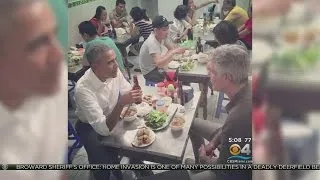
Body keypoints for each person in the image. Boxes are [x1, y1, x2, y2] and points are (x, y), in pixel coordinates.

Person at [0, 0, 67, 179]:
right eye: (38, 44)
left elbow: (57, 168)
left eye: (54, 34)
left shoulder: (52, 82)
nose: (59, 56)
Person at [74, 43, 142, 180]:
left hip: (111, 115)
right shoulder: (83, 88)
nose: (116, 65)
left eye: (115, 59)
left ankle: (136, 167)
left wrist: (135, 95)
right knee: (102, 165)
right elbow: (103, 129)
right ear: (95, 67)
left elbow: (127, 91)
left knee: (135, 142)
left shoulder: (114, 73)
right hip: (90, 125)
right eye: (110, 62)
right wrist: (121, 102)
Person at [188, 44, 252, 179]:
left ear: (227, 77)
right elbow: (228, 129)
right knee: (191, 123)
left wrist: (206, 160)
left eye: (211, 71)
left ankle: (202, 165)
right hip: (238, 140)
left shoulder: (239, 116)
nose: (208, 75)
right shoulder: (248, 85)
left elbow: (228, 169)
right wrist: (213, 142)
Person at [139, 15, 186, 83]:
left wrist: (167, 56)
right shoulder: (152, 42)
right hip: (150, 71)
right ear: (155, 30)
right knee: (173, 80)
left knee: (178, 73)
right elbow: (159, 64)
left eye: (167, 28)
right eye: (164, 29)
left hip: (156, 66)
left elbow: (171, 48)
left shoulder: (162, 36)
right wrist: (172, 53)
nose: (167, 31)